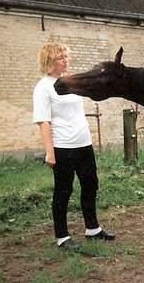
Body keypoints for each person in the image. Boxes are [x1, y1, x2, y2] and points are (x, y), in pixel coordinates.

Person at [33, 42, 114, 250]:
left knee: (90, 185)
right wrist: (50, 153)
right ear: (50, 61)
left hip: (83, 143)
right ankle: (62, 237)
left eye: (66, 57)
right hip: (62, 147)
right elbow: (44, 121)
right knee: (63, 190)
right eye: (62, 58)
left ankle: (92, 229)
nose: (66, 60)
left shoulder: (71, 82)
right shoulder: (43, 87)